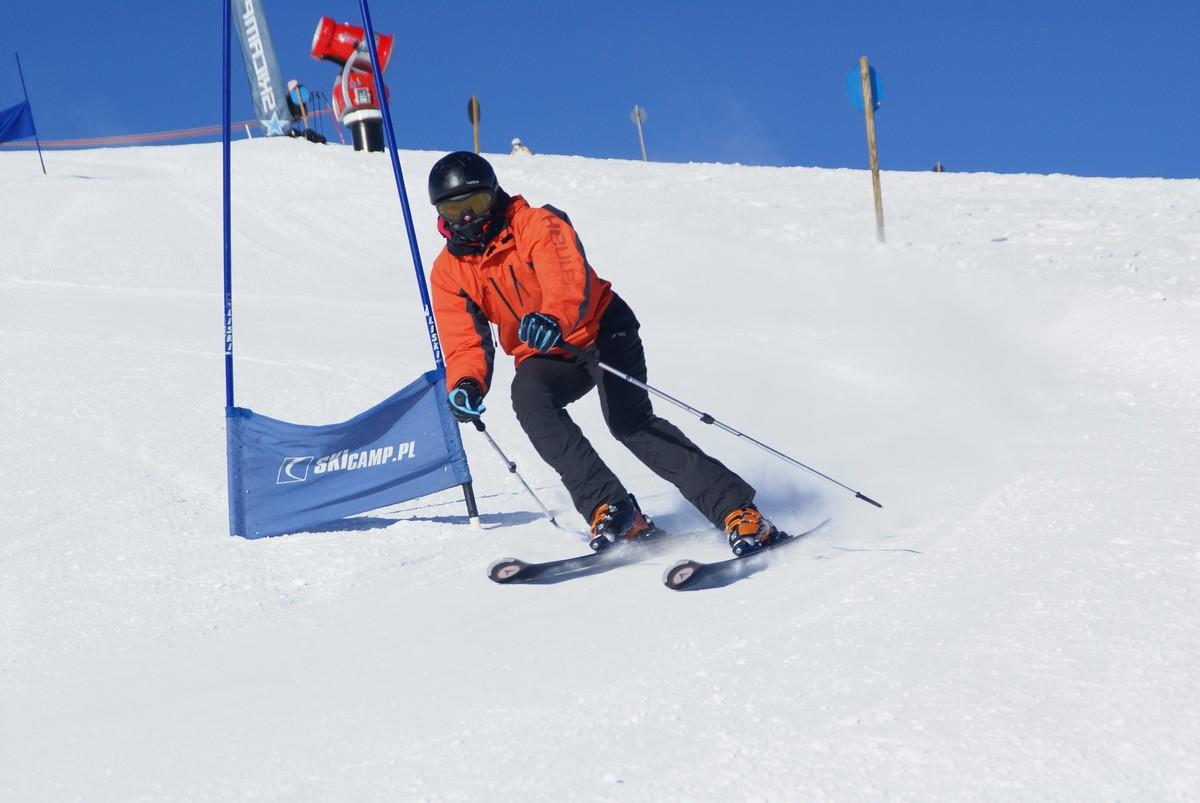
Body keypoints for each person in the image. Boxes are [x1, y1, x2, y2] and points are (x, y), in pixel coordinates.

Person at [427, 151, 780, 554]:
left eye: (475, 204)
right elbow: (464, 339)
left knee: (629, 423)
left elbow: (566, 278)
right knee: (528, 397)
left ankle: (739, 511)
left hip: (598, 328)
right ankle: (612, 510)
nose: (468, 218)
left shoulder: (537, 224)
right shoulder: (449, 271)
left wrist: (553, 318)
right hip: (547, 355)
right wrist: (467, 382)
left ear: (494, 195)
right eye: (455, 209)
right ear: (440, 214)